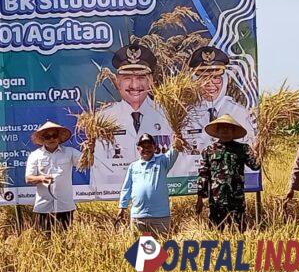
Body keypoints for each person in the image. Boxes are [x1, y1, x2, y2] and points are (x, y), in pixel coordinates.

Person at [91, 43, 172, 199]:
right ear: (118, 82)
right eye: (128, 78)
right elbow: (99, 171)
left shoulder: (168, 114)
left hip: (157, 195)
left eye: (141, 77)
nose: (135, 85)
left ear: (151, 81)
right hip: (116, 195)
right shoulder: (103, 118)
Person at [171, 46, 256, 177]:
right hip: (203, 181)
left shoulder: (239, 112)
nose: (210, 84)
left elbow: (251, 162)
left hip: (232, 183)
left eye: (216, 77)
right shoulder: (184, 114)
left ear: (225, 78)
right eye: (204, 78)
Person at [195, 115, 260, 232]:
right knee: (215, 233)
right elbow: (203, 175)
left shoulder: (243, 149)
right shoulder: (209, 150)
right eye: (222, 128)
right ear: (217, 131)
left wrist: (257, 152)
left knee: (238, 232)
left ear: (233, 131)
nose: (225, 130)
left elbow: (255, 166)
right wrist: (200, 198)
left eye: (228, 128)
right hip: (216, 201)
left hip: (236, 200)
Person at [116, 133, 179, 237]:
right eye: (143, 147)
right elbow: (127, 188)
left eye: (149, 146)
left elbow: (174, 151)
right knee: (139, 251)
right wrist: (122, 207)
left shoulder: (162, 161)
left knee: (161, 250)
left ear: (154, 147)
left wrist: (178, 139)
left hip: (160, 216)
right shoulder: (133, 166)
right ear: (138, 149)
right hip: (138, 216)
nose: (146, 149)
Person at [25, 121, 82, 235]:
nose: (51, 139)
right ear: (42, 138)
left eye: (54, 136)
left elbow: (87, 162)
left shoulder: (70, 152)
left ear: (59, 137)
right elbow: (28, 178)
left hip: (65, 206)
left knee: (66, 240)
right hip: (44, 207)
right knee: (45, 241)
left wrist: (91, 147)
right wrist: (41, 178)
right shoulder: (35, 155)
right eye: (47, 136)